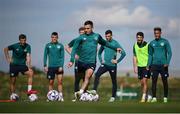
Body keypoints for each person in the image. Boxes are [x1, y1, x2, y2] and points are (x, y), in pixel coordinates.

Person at [67, 20, 121, 99]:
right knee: (79, 79)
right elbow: (74, 48)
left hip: (91, 62)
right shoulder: (81, 37)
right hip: (81, 62)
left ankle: (81, 92)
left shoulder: (97, 36)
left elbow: (105, 43)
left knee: (87, 77)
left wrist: (116, 48)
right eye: (85, 28)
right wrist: (72, 60)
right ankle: (83, 94)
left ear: (92, 28)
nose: (86, 30)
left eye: (88, 28)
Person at [92, 30, 126, 102]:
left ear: (111, 36)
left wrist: (117, 61)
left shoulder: (115, 43)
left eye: (108, 36)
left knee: (114, 81)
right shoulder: (104, 43)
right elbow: (99, 53)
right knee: (97, 74)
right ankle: (94, 90)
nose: (107, 38)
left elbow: (123, 53)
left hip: (112, 66)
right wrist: (101, 61)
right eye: (106, 36)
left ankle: (113, 97)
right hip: (105, 65)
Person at [4, 34, 37, 99]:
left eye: (24, 40)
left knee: (31, 73)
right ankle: (13, 94)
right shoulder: (15, 46)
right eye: (22, 40)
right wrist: (8, 58)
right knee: (13, 81)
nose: (23, 42)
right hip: (14, 65)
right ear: (19, 40)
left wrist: (29, 67)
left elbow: (28, 56)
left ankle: (29, 91)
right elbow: (5, 49)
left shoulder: (28, 46)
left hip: (22, 65)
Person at [147, 27, 172, 103]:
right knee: (154, 81)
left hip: (163, 66)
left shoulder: (165, 42)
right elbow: (150, 55)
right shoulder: (151, 43)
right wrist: (148, 64)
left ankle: (165, 97)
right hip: (154, 65)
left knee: (165, 81)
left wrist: (167, 62)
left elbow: (170, 53)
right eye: (155, 33)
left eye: (157, 33)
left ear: (160, 33)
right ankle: (154, 98)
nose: (156, 34)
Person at [65, 27, 85, 102]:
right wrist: (73, 56)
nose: (82, 34)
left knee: (85, 79)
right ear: (79, 33)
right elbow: (66, 47)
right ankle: (76, 96)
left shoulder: (87, 40)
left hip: (86, 62)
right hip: (77, 62)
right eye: (81, 33)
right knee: (77, 80)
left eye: (83, 33)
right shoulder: (76, 40)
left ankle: (84, 96)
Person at [44, 32, 65, 102]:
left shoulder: (60, 45)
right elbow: (45, 56)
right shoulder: (47, 45)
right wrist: (45, 65)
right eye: (53, 37)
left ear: (57, 38)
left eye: (55, 37)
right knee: (51, 82)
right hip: (51, 67)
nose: (54, 39)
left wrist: (61, 66)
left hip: (59, 67)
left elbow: (62, 57)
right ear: (51, 38)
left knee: (60, 82)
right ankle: (49, 97)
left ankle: (61, 97)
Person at [133, 32, 150, 102]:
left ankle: (143, 98)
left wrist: (149, 64)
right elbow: (134, 56)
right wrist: (135, 67)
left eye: (140, 37)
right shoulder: (135, 45)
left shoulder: (147, 45)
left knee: (145, 81)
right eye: (138, 37)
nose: (139, 39)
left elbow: (151, 55)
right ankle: (148, 95)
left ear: (143, 38)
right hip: (139, 66)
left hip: (146, 66)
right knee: (142, 83)